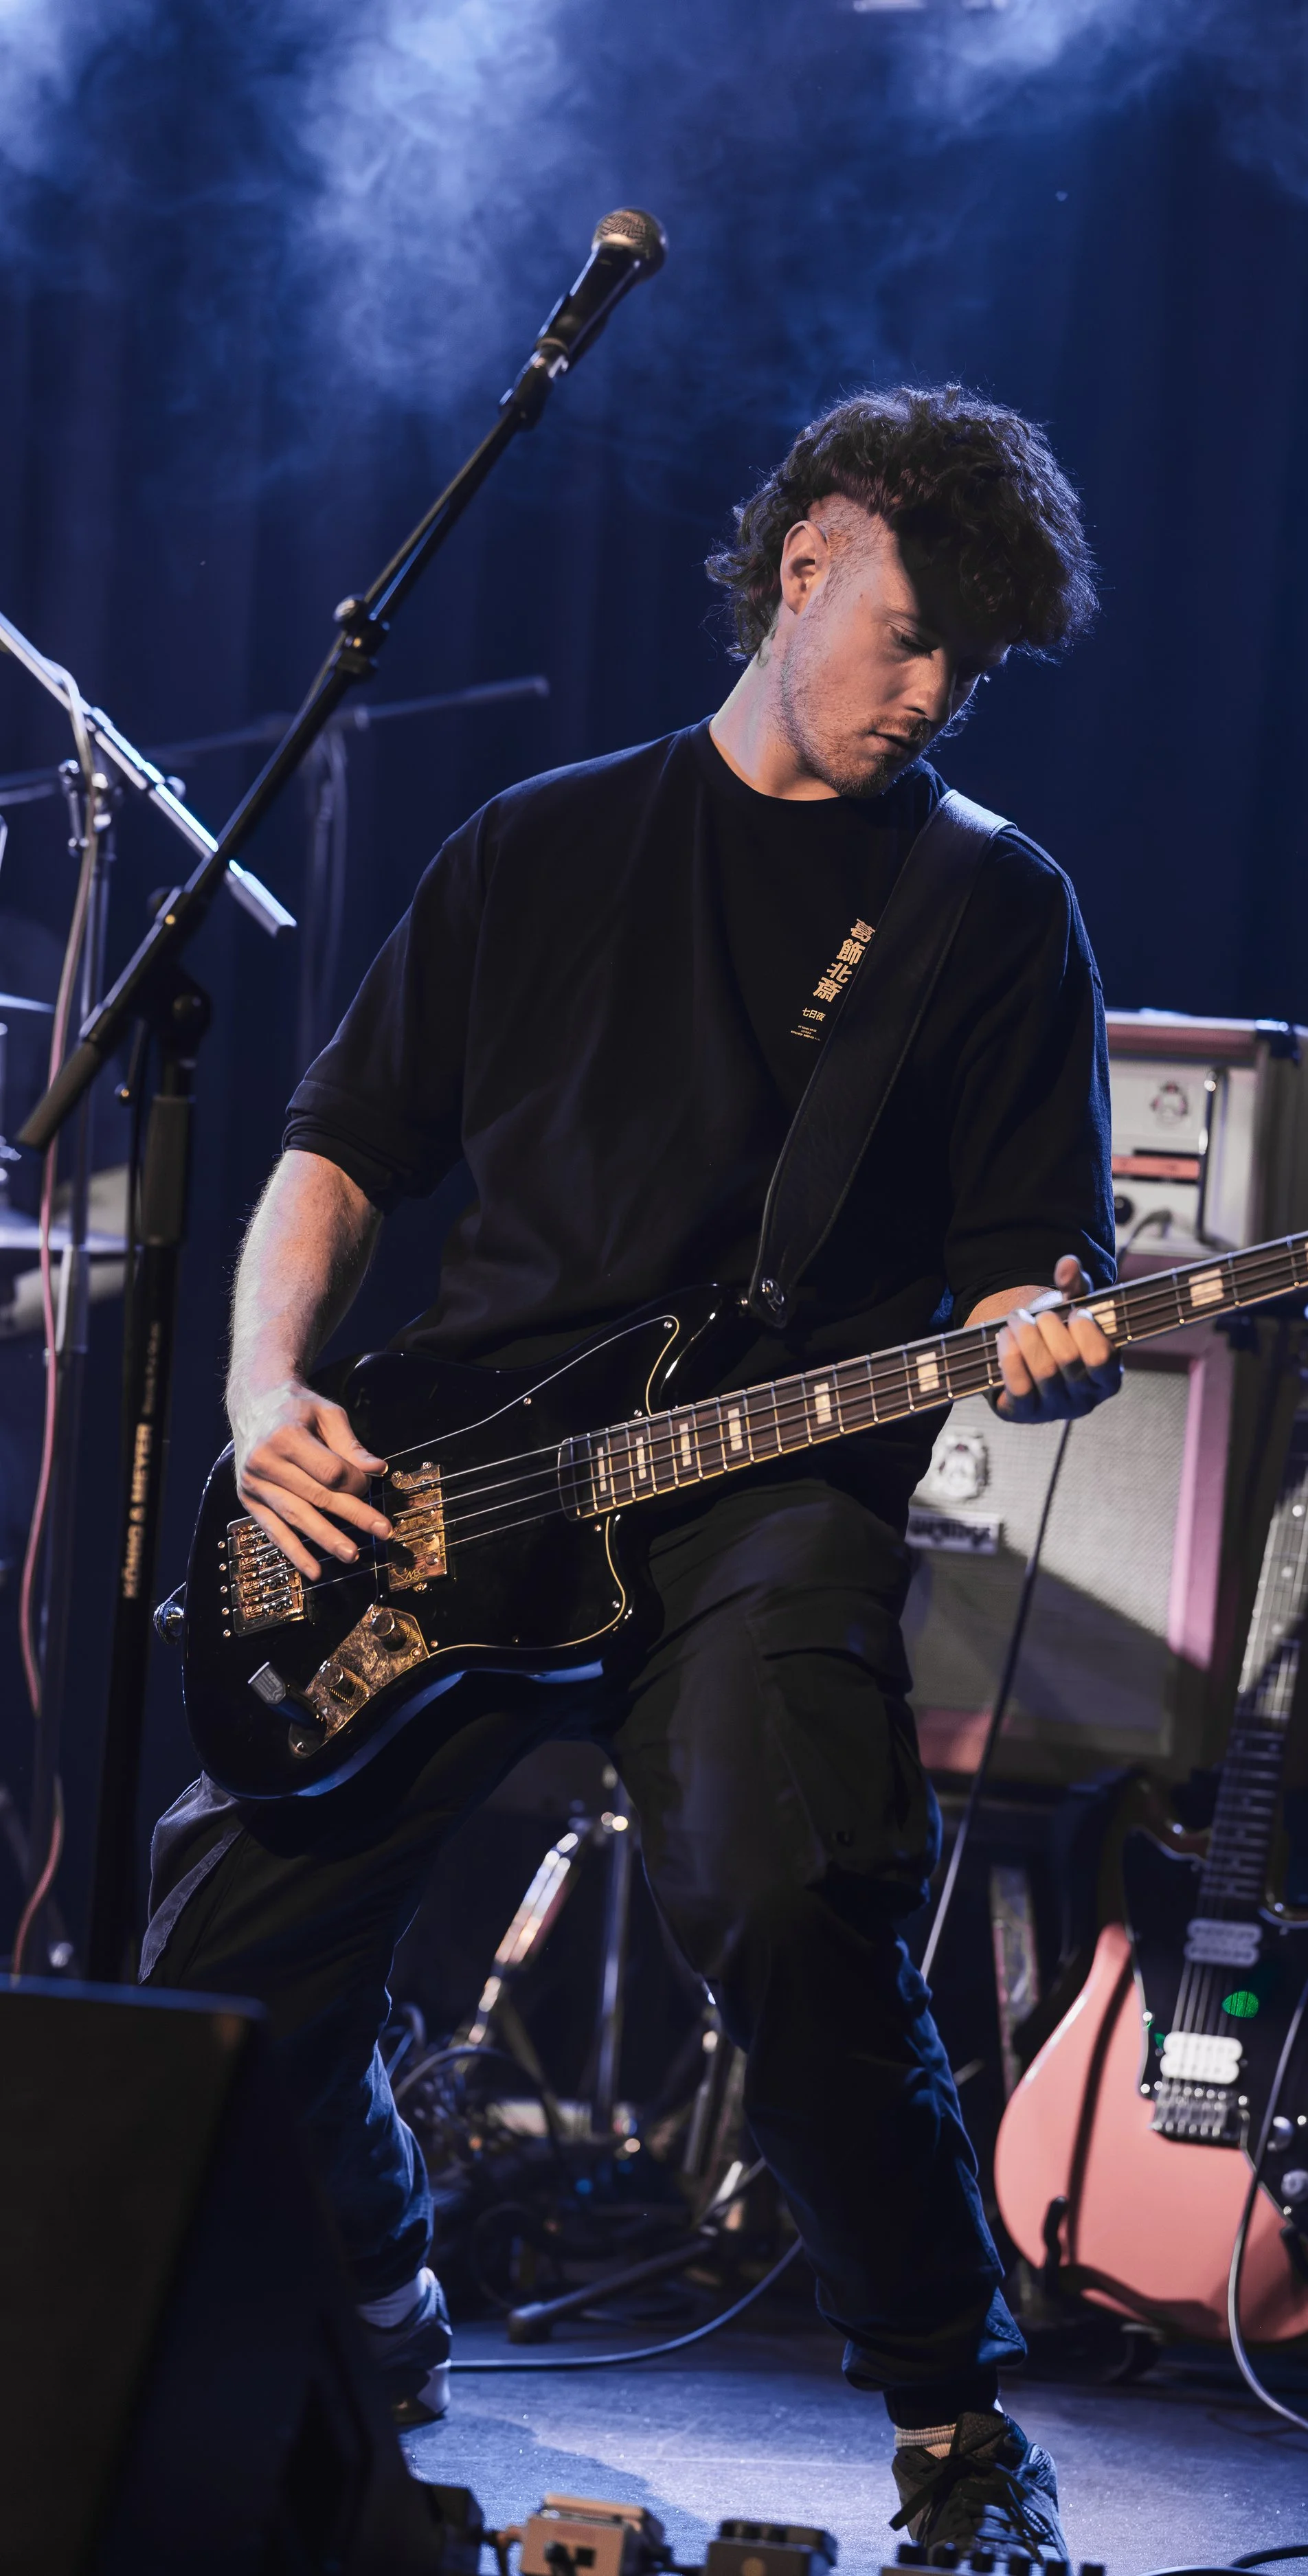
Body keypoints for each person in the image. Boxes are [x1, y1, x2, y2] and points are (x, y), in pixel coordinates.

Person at [142, 385, 1122, 2555]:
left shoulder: (987, 911)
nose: (932, 690)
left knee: (788, 1892)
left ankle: (959, 2428)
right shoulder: (539, 842)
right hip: (442, 1489)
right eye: (907, 635)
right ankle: (382, 2275)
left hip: (762, 1498)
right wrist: (258, 1388)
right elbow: (340, 1144)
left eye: (974, 662)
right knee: (212, 1947)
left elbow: (1016, 1290)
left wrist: (1040, 1351)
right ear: (805, 565)